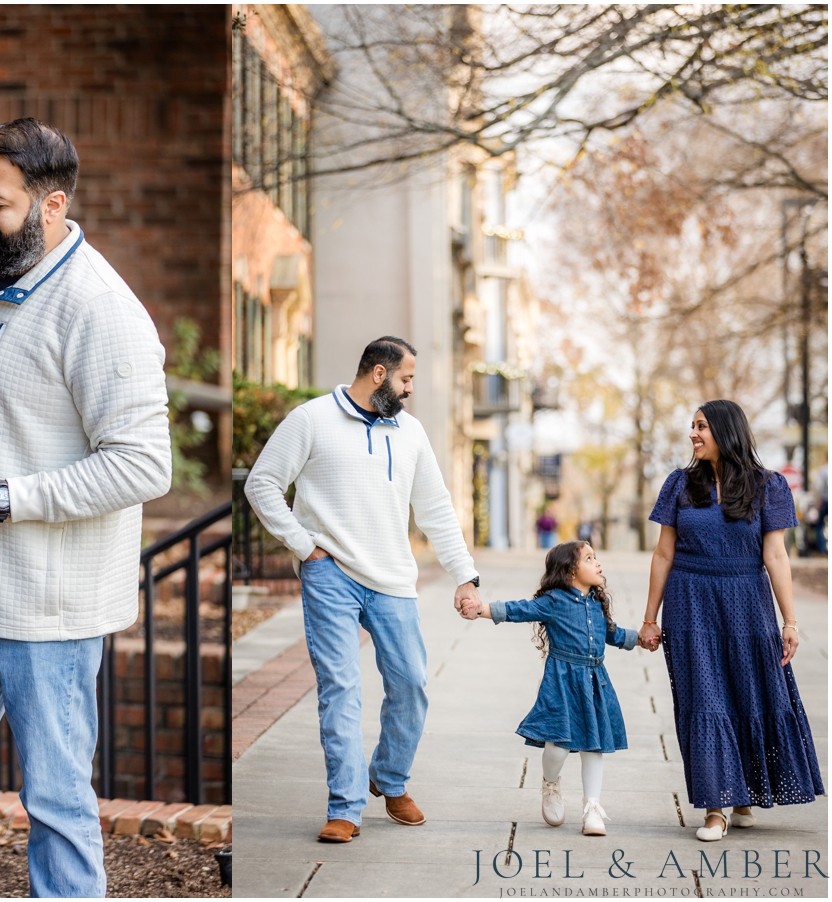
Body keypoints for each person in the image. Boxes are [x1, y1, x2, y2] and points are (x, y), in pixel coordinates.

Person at [0, 118, 171, 897]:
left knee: (55, 801)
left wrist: (2, 497)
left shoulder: (102, 311)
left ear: (53, 205)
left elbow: (143, 463)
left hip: (48, 609)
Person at [244, 336, 482, 844]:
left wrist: (465, 575)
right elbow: (262, 483)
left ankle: (389, 778)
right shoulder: (310, 419)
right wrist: (303, 546)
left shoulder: (411, 432)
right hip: (329, 575)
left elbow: (435, 509)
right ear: (379, 374)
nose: (411, 388)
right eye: (406, 379)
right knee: (340, 690)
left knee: (412, 682)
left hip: (393, 577)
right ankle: (345, 806)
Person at [638, 400, 824, 842]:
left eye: (701, 426)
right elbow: (664, 552)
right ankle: (715, 808)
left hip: (747, 602)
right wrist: (650, 618)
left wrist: (790, 621)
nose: (693, 434)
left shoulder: (769, 486)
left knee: (747, 695)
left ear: (725, 430)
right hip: (689, 604)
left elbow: (775, 555)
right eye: (692, 426)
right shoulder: (679, 485)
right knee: (705, 701)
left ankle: (744, 796)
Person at [461, 542, 641, 836]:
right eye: (589, 558)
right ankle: (550, 782)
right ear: (571, 571)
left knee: (593, 747)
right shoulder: (555, 601)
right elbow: (521, 609)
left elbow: (612, 633)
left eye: (596, 557)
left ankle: (592, 808)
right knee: (557, 748)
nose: (598, 563)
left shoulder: (596, 603)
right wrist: (481, 609)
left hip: (595, 683)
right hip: (562, 683)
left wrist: (641, 639)